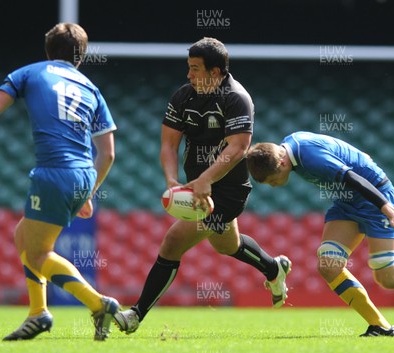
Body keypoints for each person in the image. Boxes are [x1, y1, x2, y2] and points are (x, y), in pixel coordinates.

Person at [113, 37, 291, 334]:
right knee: (228, 246)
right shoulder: (183, 97)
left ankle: (135, 314)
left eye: (195, 69)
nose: (189, 74)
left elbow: (238, 148)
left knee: (172, 243)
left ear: (217, 71)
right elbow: (169, 145)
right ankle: (274, 269)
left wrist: (206, 180)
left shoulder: (236, 98)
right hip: (199, 187)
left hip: (229, 191)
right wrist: (172, 180)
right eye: (189, 67)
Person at [245, 131, 394, 336]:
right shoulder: (288, 145)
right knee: (329, 266)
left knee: (389, 277)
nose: (273, 185)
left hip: (375, 199)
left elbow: (353, 177)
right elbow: (342, 152)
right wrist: (361, 156)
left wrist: (388, 210)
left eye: (273, 180)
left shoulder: (311, 158)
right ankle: (380, 326)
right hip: (348, 202)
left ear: (283, 163)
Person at [0, 23, 120, 341]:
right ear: (81, 57)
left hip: (54, 171)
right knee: (23, 234)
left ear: (48, 49)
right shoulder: (91, 88)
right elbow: (107, 154)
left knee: (38, 254)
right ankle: (38, 313)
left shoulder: (29, 72)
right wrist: (88, 193)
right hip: (84, 174)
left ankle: (98, 304)